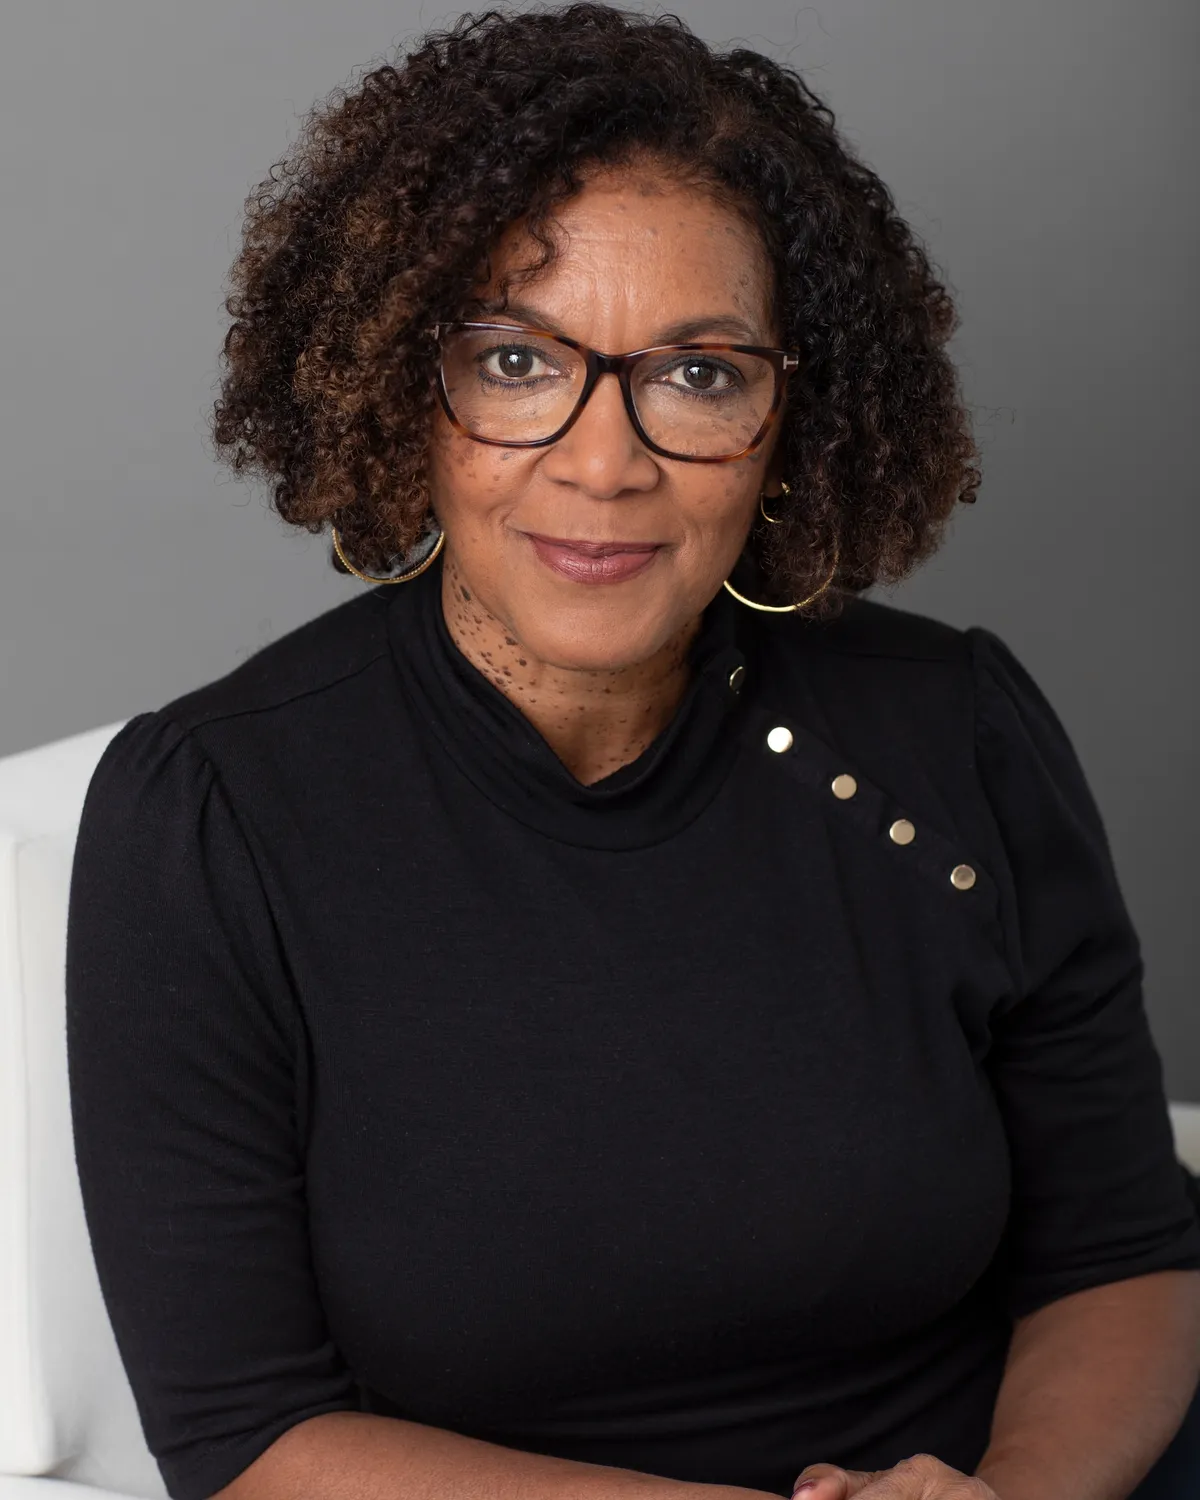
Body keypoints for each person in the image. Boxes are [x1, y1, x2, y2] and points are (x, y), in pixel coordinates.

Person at [64, 6, 1200, 1500]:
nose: (607, 464)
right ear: (410, 394)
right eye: (520, 362)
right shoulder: (209, 817)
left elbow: (1125, 1254)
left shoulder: (956, 731)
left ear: (796, 418)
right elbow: (249, 1433)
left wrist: (1010, 1494)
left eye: (701, 374)